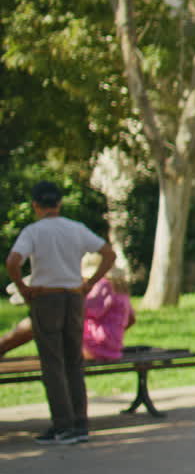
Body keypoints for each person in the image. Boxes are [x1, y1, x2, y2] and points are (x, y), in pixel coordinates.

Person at [5, 181, 116, 445]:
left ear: (35, 205)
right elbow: (108, 253)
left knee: (52, 362)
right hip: (74, 296)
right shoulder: (75, 228)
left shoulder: (34, 231)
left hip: (46, 297)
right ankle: (80, 422)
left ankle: (62, 424)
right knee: (73, 360)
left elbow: (12, 261)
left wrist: (23, 287)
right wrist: (90, 283)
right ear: (59, 203)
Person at [1, 260, 135, 361]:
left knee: (36, 323)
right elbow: (131, 320)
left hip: (94, 348)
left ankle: (2, 346)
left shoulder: (103, 284)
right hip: (111, 349)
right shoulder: (120, 289)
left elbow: (82, 308)